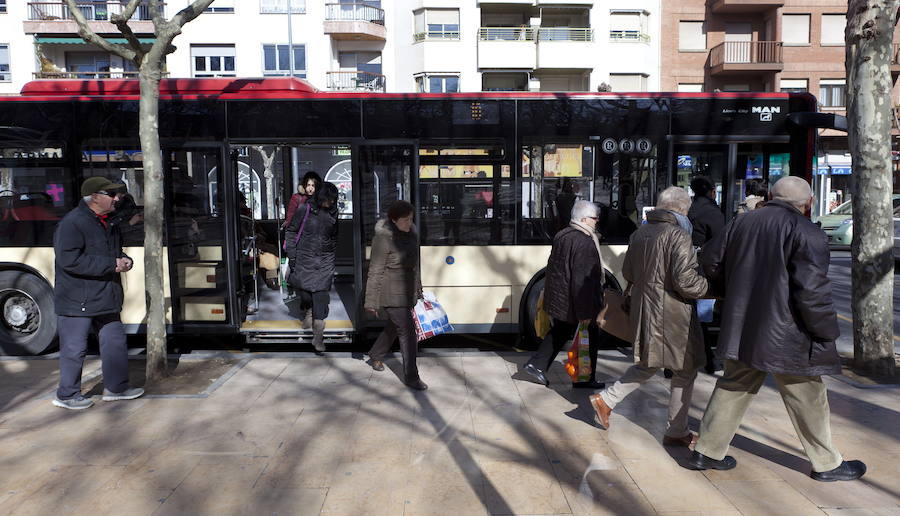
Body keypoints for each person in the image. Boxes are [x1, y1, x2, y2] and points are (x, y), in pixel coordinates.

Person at [686, 176, 866, 482]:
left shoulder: (740, 223)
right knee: (808, 393)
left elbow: (711, 262)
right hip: (789, 333)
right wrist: (824, 330)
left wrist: (736, 290)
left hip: (744, 324)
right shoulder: (806, 231)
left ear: (770, 196)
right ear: (808, 203)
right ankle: (826, 463)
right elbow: (812, 291)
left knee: (734, 384)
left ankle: (707, 449)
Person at [588, 187, 708, 447]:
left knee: (650, 362)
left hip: (646, 309)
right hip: (674, 314)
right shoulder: (679, 235)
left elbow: (629, 272)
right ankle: (676, 430)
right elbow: (685, 282)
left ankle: (606, 400)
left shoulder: (639, 232)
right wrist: (709, 288)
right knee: (685, 369)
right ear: (681, 209)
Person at [52, 176, 145, 410]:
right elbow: (69, 260)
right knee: (75, 348)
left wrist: (125, 260)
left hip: (106, 295)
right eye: (111, 194)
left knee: (114, 342)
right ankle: (67, 395)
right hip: (77, 299)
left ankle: (117, 388)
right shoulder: (72, 223)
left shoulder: (109, 221)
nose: (117, 198)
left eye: (117, 194)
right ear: (94, 197)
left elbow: (114, 253)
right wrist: (111, 265)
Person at [521, 200, 606, 390]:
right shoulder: (584, 242)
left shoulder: (563, 235)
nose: (597, 221)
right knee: (589, 336)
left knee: (561, 331)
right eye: (594, 218)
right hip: (578, 300)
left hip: (562, 297)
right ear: (584, 219)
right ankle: (584, 378)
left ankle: (537, 365)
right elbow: (582, 280)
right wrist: (586, 311)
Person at [364, 200, 427, 391]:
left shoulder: (411, 234)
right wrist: (371, 301)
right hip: (390, 293)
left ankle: (375, 354)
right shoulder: (383, 239)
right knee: (408, 333)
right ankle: (412, 377)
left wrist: (418, 287)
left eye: (411, 219)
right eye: (405, 220)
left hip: (406, 291)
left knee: (394, 328)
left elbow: (414, 266)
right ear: (393, 219)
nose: (409, 223)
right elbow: (375, 271)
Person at [285, 182, 339, 352]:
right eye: (327, 199)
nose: (330, 203)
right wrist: (292, 256)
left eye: (333, 200)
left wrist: (330, 253)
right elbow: (291, 231)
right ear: (320, 197)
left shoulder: (334, 212)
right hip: (304, 258)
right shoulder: (304, 209)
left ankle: (318, 338)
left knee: (320, 296)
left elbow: (335, 235)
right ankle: (308, 307)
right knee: (306, 293)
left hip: (324, 260)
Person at [687, 176, 725, 248]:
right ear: (713, 192)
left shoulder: (687, 208)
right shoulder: (714, 213)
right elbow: (719, 243)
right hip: (704, 255)